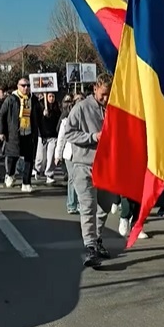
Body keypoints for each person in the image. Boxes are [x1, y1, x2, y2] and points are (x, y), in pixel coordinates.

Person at [63, 74, 116, 267]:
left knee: (106, 205)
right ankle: (90, 247)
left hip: (106, 166)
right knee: (88, 206)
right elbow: (69, 133)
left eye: (109, 94)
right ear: (95, 88)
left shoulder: (113, 108)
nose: (106, 98)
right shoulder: (81, 108)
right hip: (84, 165)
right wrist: (93, 137)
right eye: (103, 94)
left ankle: (97, 238)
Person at [0, 77, 40, 192]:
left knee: (29, 159)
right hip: (14, 134)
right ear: (18, 86)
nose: (26, 88)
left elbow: (38, 115)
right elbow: (2, 115)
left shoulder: (33, 99)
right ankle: (10, 174)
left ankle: (26, 183)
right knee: (13, 157)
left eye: (28, 85)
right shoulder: (11, 99)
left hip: (29, 132)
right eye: (23, 85)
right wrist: (1, 132)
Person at [34, 92, 62, 184]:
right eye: (50, 96)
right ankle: (38, 169)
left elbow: (59, 119)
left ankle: (49, 174)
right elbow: (36, 119)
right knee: (41, 157)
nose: (51, 98)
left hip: (53, 135)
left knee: (51, 156)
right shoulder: (40, 105)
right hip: (42, 135)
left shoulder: (57, 107)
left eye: (53, 96)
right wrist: (43, 115)